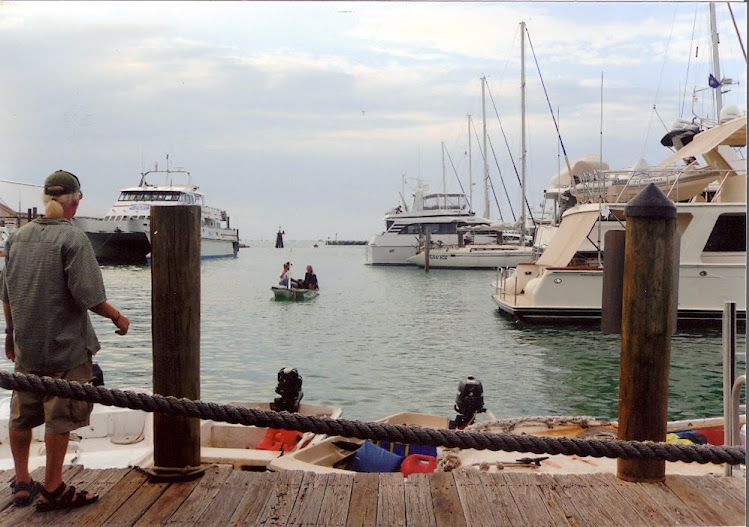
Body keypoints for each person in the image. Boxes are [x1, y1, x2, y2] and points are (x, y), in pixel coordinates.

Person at [1, 170, 130, 511]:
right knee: (60, 417)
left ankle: (23, 482)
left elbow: (6, 295)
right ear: (77, 200)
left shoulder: (17, 237)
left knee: (21, 416)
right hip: (65, 350)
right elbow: (89, 296)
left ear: (45, 200)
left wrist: (10, 334)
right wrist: (118, 317)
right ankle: (54, 487)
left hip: (27, 347)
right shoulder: (73, 239)